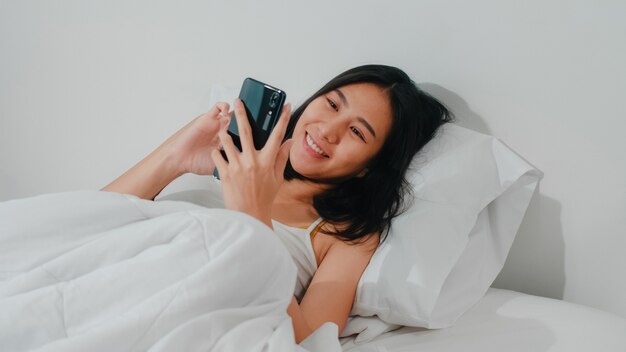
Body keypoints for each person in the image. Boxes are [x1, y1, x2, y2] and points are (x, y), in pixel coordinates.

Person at [101, 64, 453, 343]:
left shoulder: (344, 236)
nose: (328, 130)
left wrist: (253, 219)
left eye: (357, 132)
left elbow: (310, 343)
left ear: (369, 168)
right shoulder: (234, 158)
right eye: (332, 104)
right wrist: (174, 159)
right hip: (113, 279)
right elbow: (89, 217)